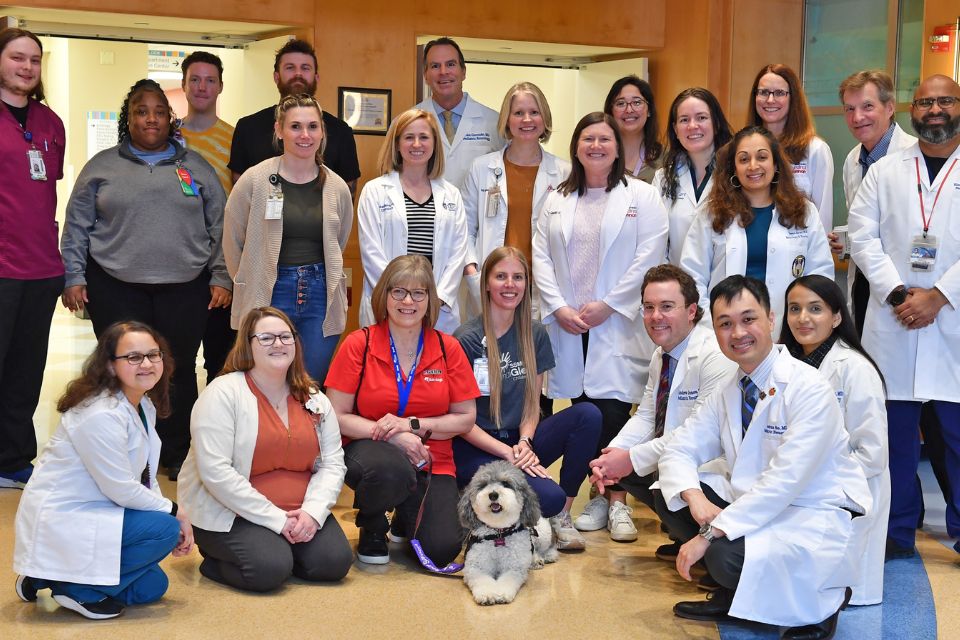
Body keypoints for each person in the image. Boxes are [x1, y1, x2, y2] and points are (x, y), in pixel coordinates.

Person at [661, 275, 870, 640]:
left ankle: (822, 606)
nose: (738, 333)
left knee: (722, 555)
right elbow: (679, 447)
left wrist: (709, 533)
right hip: (757, 500)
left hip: (807, 509)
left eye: (748, 319)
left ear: (771, 319)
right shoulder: (729, 388)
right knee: (673, 496)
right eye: (725, 324)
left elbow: (784, 483)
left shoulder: (808, 388)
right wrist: (695, 499)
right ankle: (735, 596)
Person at [60, 78, 230, 481]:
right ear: (129, 118)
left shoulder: (196, 167)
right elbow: (77, 225)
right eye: (141, 111)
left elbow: (222, 225)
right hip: (115, 285)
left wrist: (222, 275)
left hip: (185, 286)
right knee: (121, 369)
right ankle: (119, 450)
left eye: (159, 111)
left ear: (170, 119)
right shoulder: (101, 166)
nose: (150, 118)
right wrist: (73, 275)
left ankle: (175, 451)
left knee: (176, 369)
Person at [532, 112, 668, 541]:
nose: (596, 146)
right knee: (584, 410)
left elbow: (650, 254)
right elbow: (540, 255)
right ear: (576, 146)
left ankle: (616, 500)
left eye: (604, 139)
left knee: (614, 412)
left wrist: (609, 304)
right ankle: (593, 495)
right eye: (588, 138)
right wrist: (557, 307)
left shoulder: (642, 196)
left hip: (617, 322)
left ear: (617, 147)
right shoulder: (556, 198)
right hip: (571, 324)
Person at [848, 74, 960, 559]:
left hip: (952, 321)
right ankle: (894, 533)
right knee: (892, 441)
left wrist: (939, 295)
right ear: (910, 110)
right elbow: (862, 236)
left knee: (956, 439)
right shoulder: (885, 171)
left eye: (945, 100)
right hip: (894, 321)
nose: (934, 110)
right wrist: (898, 294)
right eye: (925, 102)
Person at [13, 321, 192, 619]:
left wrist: (164, 507)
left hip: (101, 508)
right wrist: (175, 512)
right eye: (133, 357)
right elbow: (121, 488)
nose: (147, 364)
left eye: (153, 354)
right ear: (110, 365)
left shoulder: (141, 404)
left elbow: (146, 476)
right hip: (68, 515)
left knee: (151, 588)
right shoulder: (100, 413)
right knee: (165, 530)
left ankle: (46, 574)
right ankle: (75, 589)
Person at [178, 307, 352, 592]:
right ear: (248, 345)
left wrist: (312, 513)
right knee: (268, 569)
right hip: (232, 511)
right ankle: (217, 558)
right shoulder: (222, 393)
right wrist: (277, 520)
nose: (278, 344)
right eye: (267, 338)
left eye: (285, 336)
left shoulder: (314, 397)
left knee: (333, 563)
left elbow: (333, 463)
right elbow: (216, 472)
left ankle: (283, 549)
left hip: (298, 509)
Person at [325, 255, 479, 567]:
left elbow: (466, 418)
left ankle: (404, 515)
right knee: (388, 470)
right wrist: (392, 436)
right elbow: (335, 415)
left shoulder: (448, 348)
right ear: (384, 295)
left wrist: (409, 426)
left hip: (432, 458)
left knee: (442, 549)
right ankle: (373, 524)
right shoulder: (359, 343)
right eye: (398, 291)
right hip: (370, 448)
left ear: (430, 299)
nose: (408, 301)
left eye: (418, 293)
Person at [452, 247, 602, 550]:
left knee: (587, 415)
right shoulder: (466, 338)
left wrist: (524, 443)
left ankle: (562, 517)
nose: (510, 284)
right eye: (501, 276)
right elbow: (462, 421)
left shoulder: (535, 334)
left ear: (526, 284)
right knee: (544, 497)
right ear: (486, 284)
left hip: (518, 442)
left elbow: (532, 404)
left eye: (518, 277)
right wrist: (508, 453)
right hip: (476, 445)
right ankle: (480, 499)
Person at [589, 264, 735, 558]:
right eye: (649, 307)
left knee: (662, 484)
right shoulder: (662, 354)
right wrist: (611, 456)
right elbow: (646, 415)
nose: (655, 316)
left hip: (713, 466)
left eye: (667, 306)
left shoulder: (714, 355)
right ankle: (685, 535)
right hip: (676, 454)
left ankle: (715, 549)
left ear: (691, 311)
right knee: (624, 466)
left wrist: (629, 458)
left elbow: (697, 435)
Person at [223, 93, 353, 384]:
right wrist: (247, 279)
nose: (305, 135)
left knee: (309, 384)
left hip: (320, 294)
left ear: (322, 132)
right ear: (279, 130)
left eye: (313, 126)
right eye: (295, 126)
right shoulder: (254, 180)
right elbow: (232, 238)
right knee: (266, 380)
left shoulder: (336, 187)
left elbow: (339, 240)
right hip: (269, 292)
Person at [780, 275, 889, 606]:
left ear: (837, 317)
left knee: (824, 592)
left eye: (815, 309)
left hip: (843, 491)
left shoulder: (854, 369)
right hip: (794, 486)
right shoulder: (784, 365)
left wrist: (811, 478)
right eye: (794, 309)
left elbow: (872, 453)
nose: (803, 318)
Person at [679, 125, 833, 338]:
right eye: (743, 159)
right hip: (725, 335)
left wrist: (806, 321)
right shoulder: (712, 214)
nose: (753, 166)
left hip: (788, 332)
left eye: (762, 157)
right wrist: (712, 326)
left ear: (775, 164)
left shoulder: (804, 212)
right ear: (734, 168)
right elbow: (692, 277)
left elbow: (820, 275)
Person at [0, 29, 66, 488]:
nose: (26, 67)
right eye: (17, 57)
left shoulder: (49, 122)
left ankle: (12, 459)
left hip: (42, 267)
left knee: (26, 370)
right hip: (2, 267)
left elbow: (44, 189)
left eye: (35, 60)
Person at [357, 108, 467, 334]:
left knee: (434, 357)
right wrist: (400, 296)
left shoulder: (451, 194)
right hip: (388, 305)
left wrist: (436, 299)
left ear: (435, 143)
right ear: (397, 144)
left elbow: (458, 253)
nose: (417, 144)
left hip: (437, 308)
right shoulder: (375, 191)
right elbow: (371, 251)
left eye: (424, 137)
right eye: (409, 137)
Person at [462, 82, 570, 312]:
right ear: (507, 120)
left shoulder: (564, 172)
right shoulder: (482, 168)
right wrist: (473, 273)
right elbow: (464, 229)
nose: (527, 120)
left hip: (543, 287)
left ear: (544, 118)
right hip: (492, 284)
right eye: (518, 113)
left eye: (534, 112)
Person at [836, 70, 917, 336]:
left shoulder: (915, 156)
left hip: (904, 285)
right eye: (850, 109)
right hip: (862, 280)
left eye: (867, 106)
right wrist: (847, 241)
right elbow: (863, 223)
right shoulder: (852, 160)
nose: (857, 117)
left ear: (890, 107)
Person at [228, 39, 360, 192]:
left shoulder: (340, 131)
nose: (298, 74)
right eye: (290, 67)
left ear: (316, 78)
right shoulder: (248, 128)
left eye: (305, 68)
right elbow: (240, 189)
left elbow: (348, 192)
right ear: (276, 77)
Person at [179, 50, 238, 384]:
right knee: (177, 359)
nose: (202, 87)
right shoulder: (168, 137)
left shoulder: (235, 137)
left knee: (220, 359)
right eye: (195, 80)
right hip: (178, 264)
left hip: (221, 262)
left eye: (210, 80)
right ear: (184, 85)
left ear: (220, 86)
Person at [747, 63, 835, 233]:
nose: (770, 100)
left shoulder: (815, 150)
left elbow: (822, 220)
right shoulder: (743, 150)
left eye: (779, 93)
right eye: (763, 92)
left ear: (793, 98)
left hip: (800, 247)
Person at [654, 87, 734, 264]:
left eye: (701, 118)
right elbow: (656, 240)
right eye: (684, 120)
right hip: (675, 277)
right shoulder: (663, 178)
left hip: (724, 278)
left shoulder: (735, 173)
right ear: (675, 129)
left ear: (716, 123)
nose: (692, 126)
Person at [413, 37, 504, 188]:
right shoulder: (405, 124)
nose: (443, 72)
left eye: (450, 64)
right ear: (425, 76)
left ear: (463, 72)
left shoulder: (494, 123)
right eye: (435, 66)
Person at [604, 75, 663, 183]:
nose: (629, 110)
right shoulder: (601, 156)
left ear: (649, 110)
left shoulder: (666, 160)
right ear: (611, 112)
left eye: (637, 102)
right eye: (621, 103)